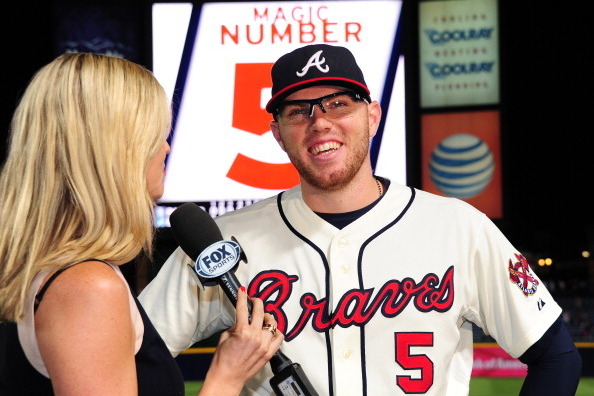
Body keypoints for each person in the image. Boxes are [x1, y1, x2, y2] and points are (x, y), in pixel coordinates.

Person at [138, 44, 582, 395]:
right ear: (277, 134)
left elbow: (557, 356)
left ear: (371, 115)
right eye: (297, 111)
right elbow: (126, 362)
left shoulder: (459, 227)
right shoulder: (224, 241)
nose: (319, 122)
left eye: (338, 104)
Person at [0, 52, 283, 396]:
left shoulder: (58, 271)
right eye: (154, 133)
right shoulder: (88, 287)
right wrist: (226, 376)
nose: (165, 147)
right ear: (115, 150)